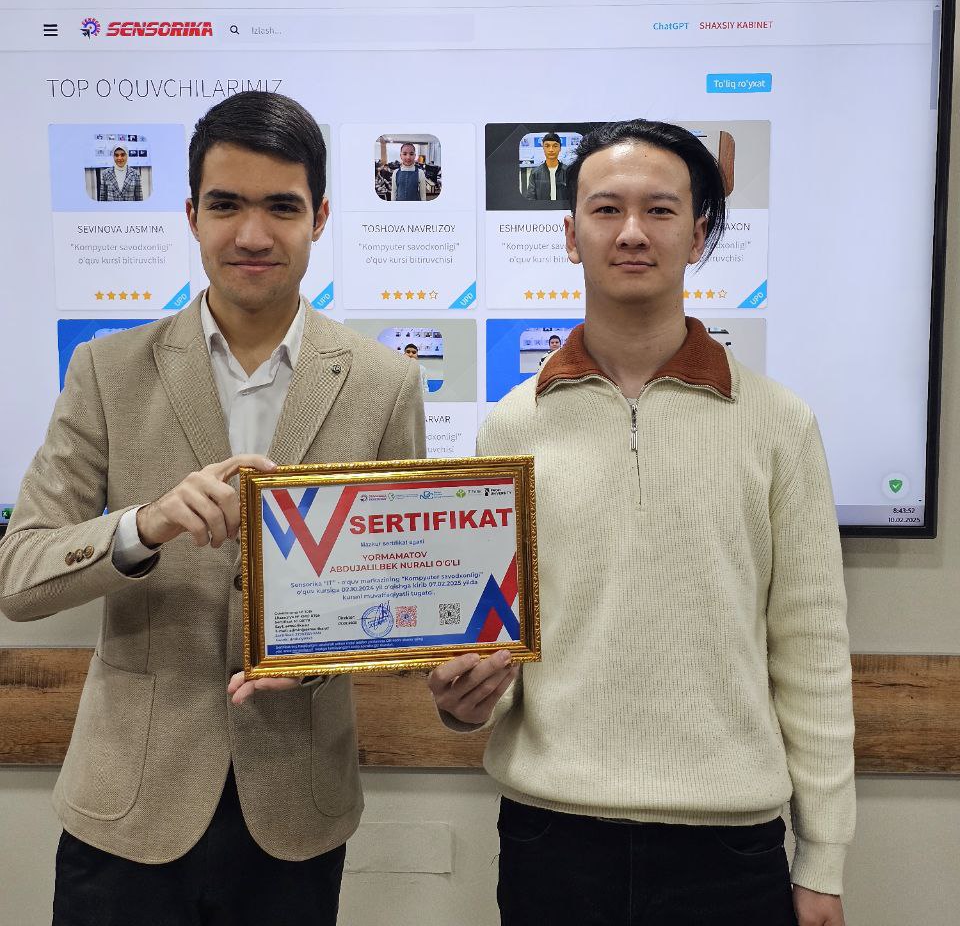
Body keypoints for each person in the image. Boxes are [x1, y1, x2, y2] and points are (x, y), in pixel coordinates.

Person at [0, 91, 424, 926]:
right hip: (127, 806)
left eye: (282, 207)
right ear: (191, 215)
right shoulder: (106, 370)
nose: (252, 234)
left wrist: (329, 653)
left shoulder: (386, 382)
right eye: (226, 205)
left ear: (321, 217)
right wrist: (144, 525)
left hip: (297, 804)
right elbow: (18, 575)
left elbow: (405, 594)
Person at [429, 119, 854, 926]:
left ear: (697, 236)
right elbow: (488, 644)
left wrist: (823, 859)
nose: (631, 232)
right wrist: (465, 702)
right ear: (570, 235)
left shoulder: (779, 424)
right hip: (552, 840)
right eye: (606, 209)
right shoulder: (510, 427)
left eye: (660, 210)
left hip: (731, 849)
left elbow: (814, 652)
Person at [525, 130, 568, 204]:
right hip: (542, 210)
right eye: (547, 146)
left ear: (560, 148)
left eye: (555, 146)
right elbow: (531, 199)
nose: (551, 150)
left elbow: (573, 196)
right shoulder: (535, 173)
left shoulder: (568, 171)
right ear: (543, 148)